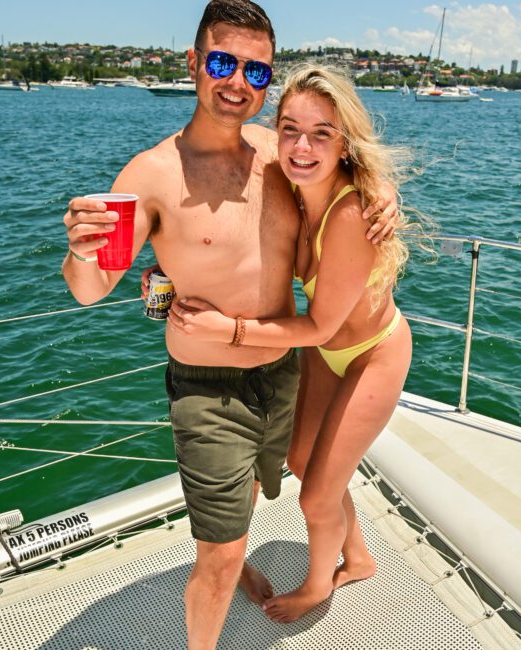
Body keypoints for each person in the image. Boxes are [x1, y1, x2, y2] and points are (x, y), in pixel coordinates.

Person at [62, 2, 396, 648]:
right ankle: (222, 579)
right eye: (222, 62)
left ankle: (285, 556)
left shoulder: (279, 154)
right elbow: (91, 287)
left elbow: (342, 167)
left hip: (285, 371)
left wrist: (382, 198)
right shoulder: (150, 176)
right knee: (214, 560)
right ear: (193, 64)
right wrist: (81, 248)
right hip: (208, 390)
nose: (237, 82)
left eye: (256, 70)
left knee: (270, 491)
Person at [166, 63, 431, 623]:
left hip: (372, 352)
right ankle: (356, 555)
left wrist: (228, 331)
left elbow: (319, 329)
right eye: (290, 128)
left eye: (321, 133)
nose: (301, 145)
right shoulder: (288, 177)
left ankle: (317, 585)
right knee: (301, 458)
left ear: (345, 141)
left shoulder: (352, 211)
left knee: (315, 494)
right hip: (328, 352)